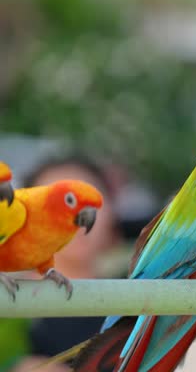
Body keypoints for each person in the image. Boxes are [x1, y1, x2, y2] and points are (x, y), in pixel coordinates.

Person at [4, 155, 122, 372]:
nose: (76, 216)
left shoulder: (139, 299)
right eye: (67, 201)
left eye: (93, 200)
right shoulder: (7, 301)